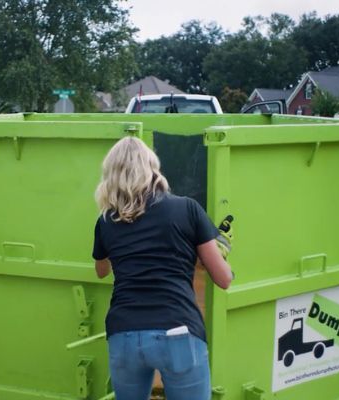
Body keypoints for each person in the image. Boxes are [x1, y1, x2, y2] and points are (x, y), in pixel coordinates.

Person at [92, 136, 234, 400]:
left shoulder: (106, 222)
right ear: (152, 167)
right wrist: (221, 249)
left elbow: (101, 270)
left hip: (123, 332)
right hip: (177, 330)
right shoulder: (187, 208)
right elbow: (223, 279)